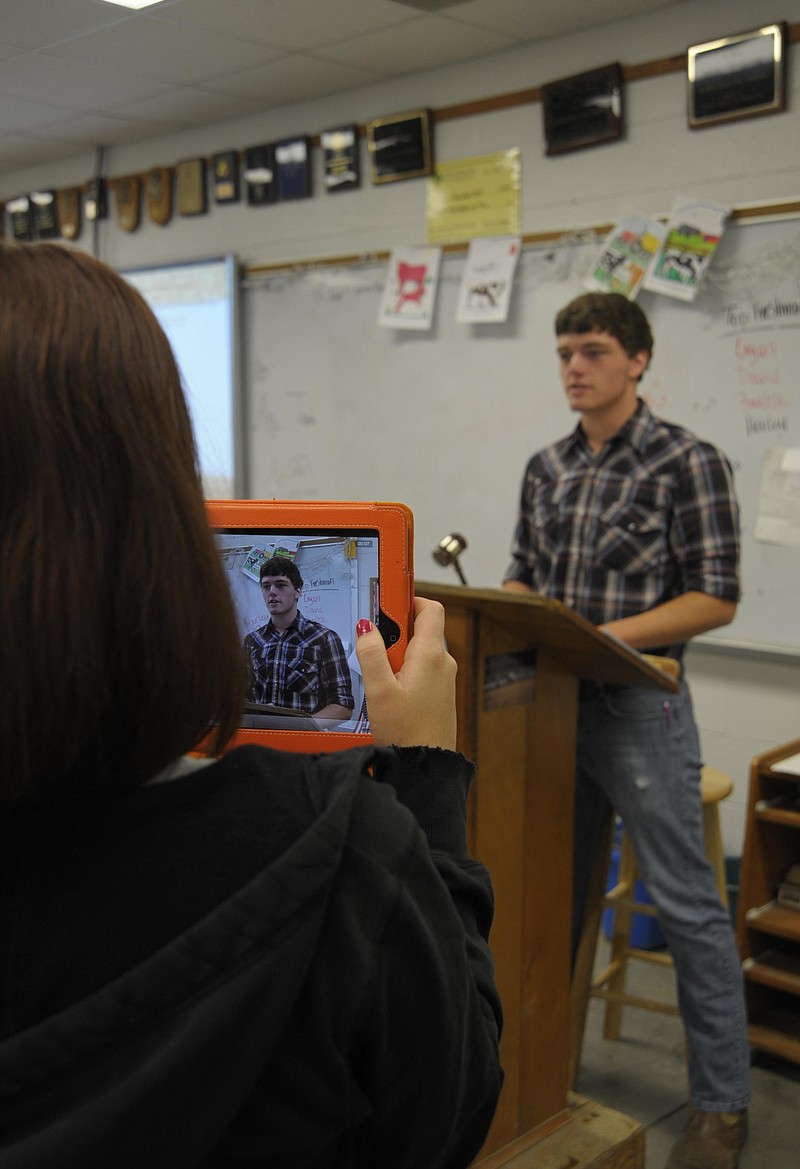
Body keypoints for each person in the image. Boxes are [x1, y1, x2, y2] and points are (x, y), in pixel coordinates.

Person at [0, 242, 503, 1169]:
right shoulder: (344, 858)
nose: (272, 601)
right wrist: (425, 778)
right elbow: (447, 1110)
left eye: (281, 590)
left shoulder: (314, 646)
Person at [503, 292, 750, 1169]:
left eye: (595, 350)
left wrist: (600, 639)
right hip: (552, 709)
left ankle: (722, 1106)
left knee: (688, 908)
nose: (575, 365)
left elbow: (715, 595)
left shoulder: (689, 460)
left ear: (638, 361)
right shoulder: (547, 467)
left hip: (642, 710)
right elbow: (523, 582)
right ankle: (537, 1079)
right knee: (548, 901)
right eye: (566, 350)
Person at [244, 555, 354, 719]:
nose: (272, 592)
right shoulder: (252, 641)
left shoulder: (323, 639)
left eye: (280, 585)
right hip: (261, 737)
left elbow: (343, 706)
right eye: (266, 586)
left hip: (305, 740)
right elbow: (243, 698)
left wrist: (302, 728)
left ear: (298, 591)